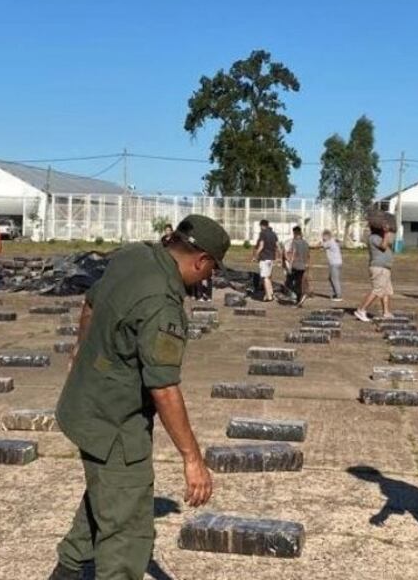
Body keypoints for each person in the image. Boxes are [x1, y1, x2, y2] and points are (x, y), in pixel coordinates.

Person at [50, 214, 230, 580]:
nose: (207, 279)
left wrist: (79, 354)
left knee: (108, 496)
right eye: (211, 271)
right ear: (201, 261)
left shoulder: (135, 255)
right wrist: (192, 459)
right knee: (128, 530)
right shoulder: (163, 305)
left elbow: (91, 302)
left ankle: (68, 570)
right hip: (115, 421)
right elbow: (163, 387)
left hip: (84, 403)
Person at [354, 220, 394, 322]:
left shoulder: (380, 237)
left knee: (386, 290)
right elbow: (383, 246)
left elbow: (390, 244)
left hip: (385, 268)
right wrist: (386, 233)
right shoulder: (374, 237)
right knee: (377, 289)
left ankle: (386, 312)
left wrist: (388, 234)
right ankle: (361, 310)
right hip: (378, 267)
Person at [251, 219, 278, 301]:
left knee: (265, 277)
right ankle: (270, 293)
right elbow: (277, 246)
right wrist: (279, 256)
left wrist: (255, 255)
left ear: (262, 226)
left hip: (264, 258)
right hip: (271, 258)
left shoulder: (263, 233)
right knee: (268, 276)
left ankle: (268, 296)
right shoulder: (273, 234)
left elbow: (261, 246)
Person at [285, 226, 310, 307]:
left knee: (291, 283)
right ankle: (299, 299)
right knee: (299, 282)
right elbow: (307, 255)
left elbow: (293, 254)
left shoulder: (294, 242)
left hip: (296, 265)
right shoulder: (306, 243)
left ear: (295, 233)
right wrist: (307, 264)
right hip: (303, 265)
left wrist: (290, 265)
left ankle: (300, 298)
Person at [321, 229, 343, 301]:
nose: (322, 238)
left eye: (323, 236)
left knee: (334, 279)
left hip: (334, 263)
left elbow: (321, 245)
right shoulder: (333, 241)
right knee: (331, 278)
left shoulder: (329, 242)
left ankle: (338, 296)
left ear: (327, 236)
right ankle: (336, 293)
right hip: (337, 263)